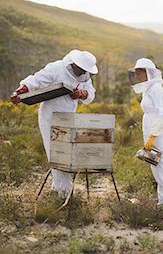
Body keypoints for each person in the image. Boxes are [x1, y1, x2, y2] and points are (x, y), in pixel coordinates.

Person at [10, 49, 98, 196]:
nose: (83, 73)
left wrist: (82, 94)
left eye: (85, 70)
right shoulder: (56, 68)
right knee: (55, 153)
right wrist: (20, 91)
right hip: (49, 117)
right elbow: (36, 80)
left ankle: (59, 190)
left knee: (65, 154)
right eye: (81, 69)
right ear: (74, 64)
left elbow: (91, 93)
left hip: (69, 117)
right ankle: (63, 192)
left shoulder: (85, 76)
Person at [128, 58, 163, 218]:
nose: (137, 76)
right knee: (156, 168)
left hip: (160, 134)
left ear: (147, 72)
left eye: (139, 73)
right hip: (152, 132)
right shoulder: (147, 88)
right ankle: (162, 204)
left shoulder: (156, 88)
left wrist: (153, 136)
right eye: (135, 73)